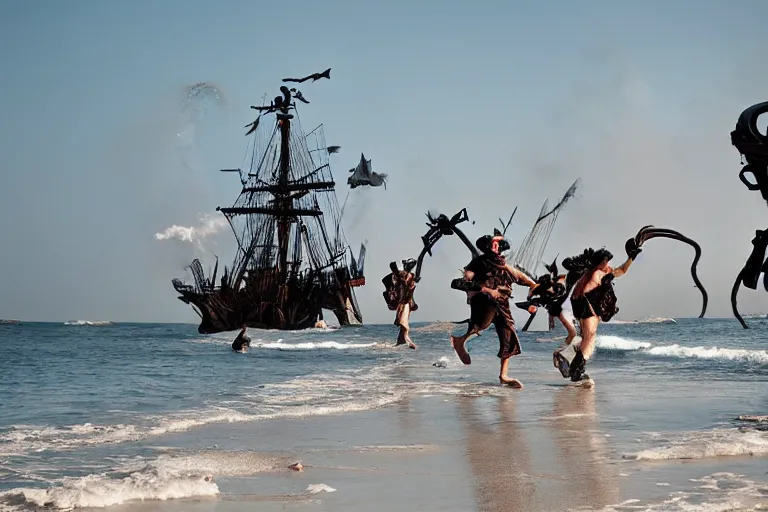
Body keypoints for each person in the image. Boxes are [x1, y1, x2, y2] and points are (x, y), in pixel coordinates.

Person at [449, 230, 539, 388]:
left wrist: (534, 286)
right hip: (485, 301)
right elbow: (465, 279)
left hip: (503, 305)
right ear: (487, 246)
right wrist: (486, 289)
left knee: (509, 335)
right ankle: (460, 341)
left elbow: (520, 276)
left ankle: (503, 376)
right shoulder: (478, 262)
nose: (497, 245)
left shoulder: (504, 265)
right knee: (481, 324)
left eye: (498, 244)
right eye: (494, 243)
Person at [560, 240, 642, 382]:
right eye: (605, 262)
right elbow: (587, 291)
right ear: (599, 263)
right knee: (590, 335)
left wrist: (631, 258)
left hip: (581, 303)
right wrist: (593, 311)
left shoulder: (599, 271)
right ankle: (576, 369)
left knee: (588, 336)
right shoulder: (596, 273)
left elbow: (621, 270)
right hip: (585, 304)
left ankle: (571, 361)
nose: (608, 265)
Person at [382, 259, 419, 349]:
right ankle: (407, 341)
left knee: (404, 322)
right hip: (402, 302)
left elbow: (409, 291)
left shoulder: (408, 276)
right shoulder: (399, 277)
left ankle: (401, 340)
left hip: (405, 302)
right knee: (404, 323)